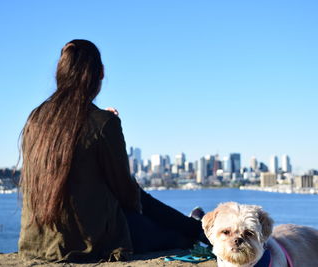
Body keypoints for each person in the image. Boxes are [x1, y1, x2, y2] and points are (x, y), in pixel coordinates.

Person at [18, 39, 206, 262]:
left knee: (144, 207)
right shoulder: (103, 123)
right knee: (177, 235)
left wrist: (103, 127)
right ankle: (196, 228)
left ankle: (194, 225)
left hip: (37, 244)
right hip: (91, 244)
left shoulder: (35, 118)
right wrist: (108, 128)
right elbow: (127, 194)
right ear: (101, 74)